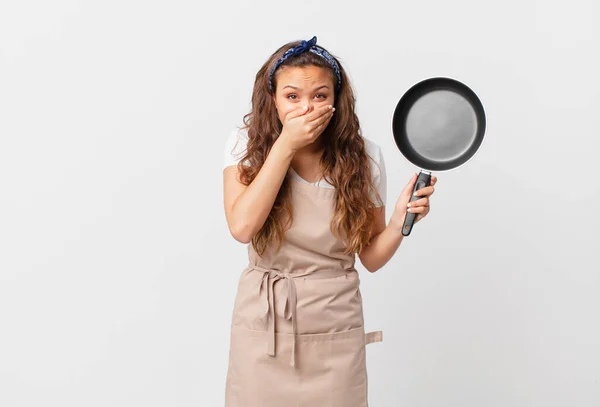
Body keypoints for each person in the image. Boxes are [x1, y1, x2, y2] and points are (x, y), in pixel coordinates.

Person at [222, 36, 436, 407]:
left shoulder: (365, 156)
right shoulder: (246, 146)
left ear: (337, 99)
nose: (307, 107)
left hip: (335, 325)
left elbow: (370, 257)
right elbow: (242, 228)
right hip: (265, 326)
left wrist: (401, 217)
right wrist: (285, 146)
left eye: (320, 95)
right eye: (292, 97)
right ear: (272, 98)